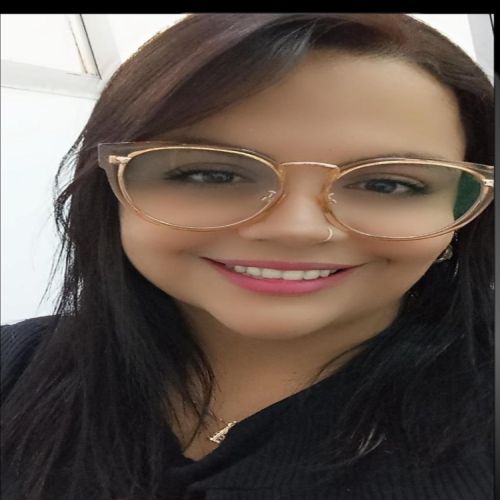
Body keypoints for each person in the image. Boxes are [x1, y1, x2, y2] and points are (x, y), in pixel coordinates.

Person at [1, 13, 494, 500]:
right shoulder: (16, 367)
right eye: (212, 174)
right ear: (110, 188)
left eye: (387, 184)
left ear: (461, 212)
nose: (296, 229)